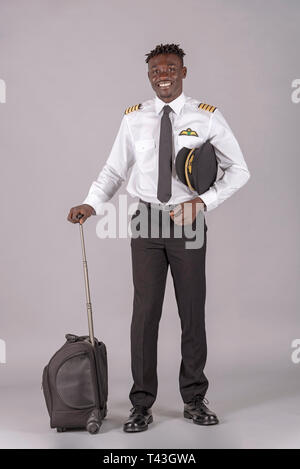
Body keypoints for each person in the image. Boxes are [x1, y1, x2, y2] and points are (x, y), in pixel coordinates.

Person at [67, 43, 250, 432]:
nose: (162, 74)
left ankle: (194, 398)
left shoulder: (207, 117)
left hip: (188, 224)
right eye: (155, 70)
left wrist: (204, 202)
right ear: (149, 76)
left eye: (169, 67)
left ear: (184, 71)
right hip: (146, 223)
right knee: (145, 315)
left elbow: (239, 170)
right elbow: (114, 171)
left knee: (191, 313)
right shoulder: (133, 119)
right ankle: (141, 403)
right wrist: (91, 203)